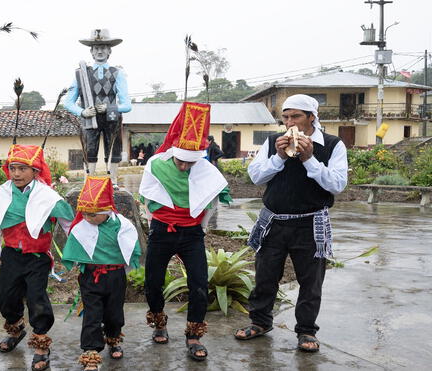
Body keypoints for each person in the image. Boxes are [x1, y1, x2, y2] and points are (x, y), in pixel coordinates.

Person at [234, 94, 348, 352]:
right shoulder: (274, 141)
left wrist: (309, 158)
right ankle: (260, 322)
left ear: (311, 117)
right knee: (265, 276)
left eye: (295, 116)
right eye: (285, 117)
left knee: (311, 281)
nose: (289, 122)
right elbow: (255, 176)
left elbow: (337, 185)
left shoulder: (331, 144)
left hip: (311, 223)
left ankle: (306, 331)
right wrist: (280, 157)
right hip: (273, 220)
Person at [138, 101, 230, 362]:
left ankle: (194, 335)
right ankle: (158, 322)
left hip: (191, 235)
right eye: (180, 161)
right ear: (173, 153)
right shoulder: (156, 164)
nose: (183, 167)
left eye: (190, 163)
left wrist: (201, 225)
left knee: (199, 284)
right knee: (153, 283)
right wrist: (152, 222)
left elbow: (213, 197)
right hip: (162, 232)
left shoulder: (205, 168)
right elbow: (147, 197)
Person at [0, 144, 74, 371]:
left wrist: (78, 252)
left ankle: (41, 344)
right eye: (12, 168)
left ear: (35, 171)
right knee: (3, 295)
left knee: (36, 299)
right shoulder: (3, 193)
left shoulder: (47, 196)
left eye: (23, 169)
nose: (16, 174)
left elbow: (68, 223)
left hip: (37, 257)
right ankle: (16, 328)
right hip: (11, 254)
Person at [61, 176, 141, 371]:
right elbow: (75, 244)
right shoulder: (82, 227)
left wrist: (133, 260)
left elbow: (132, 247)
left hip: (115, 277)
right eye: (85, 213)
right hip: (91, 277)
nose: (87, 218)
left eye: (93, 214)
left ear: (106, 211)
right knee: (92, 315)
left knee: (114, 313)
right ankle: (91, 352)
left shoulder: (122, 226)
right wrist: (73, 264)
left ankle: (113, 338)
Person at [64, 29, 131, 185]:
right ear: (91, 52)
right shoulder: (81, 74)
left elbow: (127, 105)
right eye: (96, 48)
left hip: (112, 118)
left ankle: (113, 182)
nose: (100, 51)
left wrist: (109, 108)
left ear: (109, 51)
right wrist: (83, 111)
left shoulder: (118, 73)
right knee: (90, 149)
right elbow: (68, 102)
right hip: (90, 118)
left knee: (113, 148)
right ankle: (89, 182)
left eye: (103, 47)